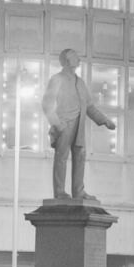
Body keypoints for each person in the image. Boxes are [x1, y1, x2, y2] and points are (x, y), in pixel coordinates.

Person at [41, 48, 116, 201]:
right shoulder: (57, 79)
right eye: (75, 57)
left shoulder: (80, 82)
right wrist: (57, 124)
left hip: (79, 124)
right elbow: (47, 104)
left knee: (80, 156)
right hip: (64, 123)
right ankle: (59, 192)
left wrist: (104, 120)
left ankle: (79, 191)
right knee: (61, 157)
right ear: (67, 60)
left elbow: (89, 106)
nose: (79, 60)